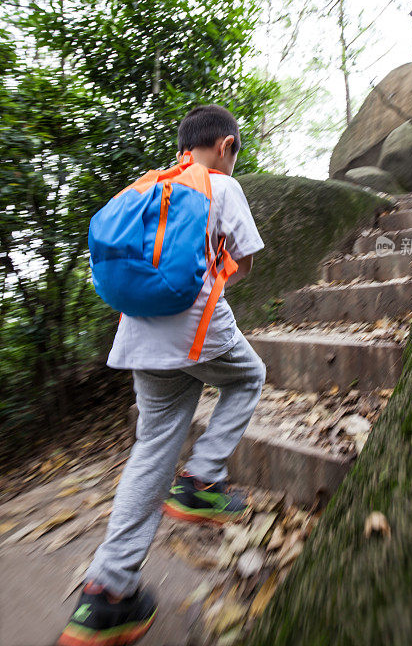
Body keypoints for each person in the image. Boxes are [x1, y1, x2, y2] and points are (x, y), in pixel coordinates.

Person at [57, 104, 266, 646]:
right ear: (224, 145)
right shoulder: (220, 185)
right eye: (235, 152)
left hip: (139, 335)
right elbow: (243, 262)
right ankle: (201, 480)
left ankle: (106, 594)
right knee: (248, 377)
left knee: (151, 450)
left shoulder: (151, 185)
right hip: (195, 329)